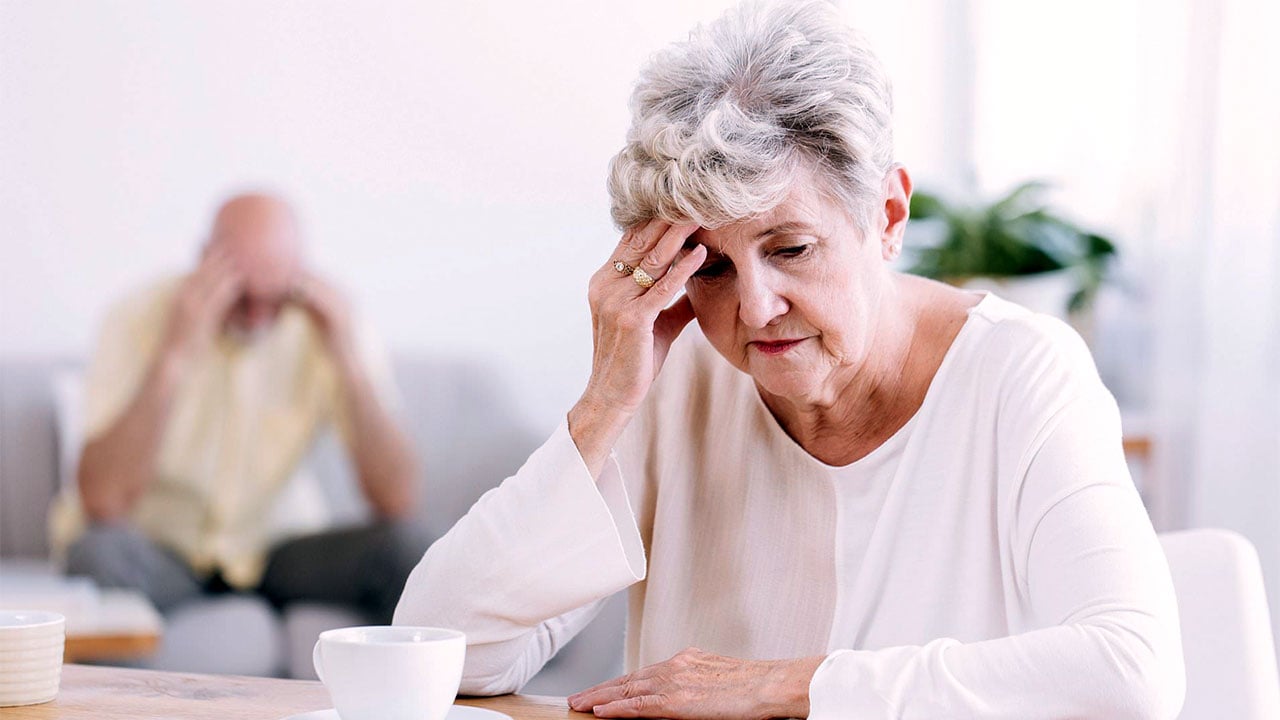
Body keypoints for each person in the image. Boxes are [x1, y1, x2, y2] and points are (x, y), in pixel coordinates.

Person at [394, 2, 1185, 718]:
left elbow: (1131, 670)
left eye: (792, 249)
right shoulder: (681, 377)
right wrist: (603, 404)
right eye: (710, 267)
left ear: (886, 215)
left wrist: (787, 685)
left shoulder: (1021, 371)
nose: (755, 307)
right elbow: (439, 650)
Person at [51, 192, 425, 625]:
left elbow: (398, 499)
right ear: (205, 259)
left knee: (408, 548)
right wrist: (173, 356)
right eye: (242, 295)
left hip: (273, 551)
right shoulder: (137, 316)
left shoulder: (329, 325)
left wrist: (348, 360)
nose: (256, 317)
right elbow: (102, 499)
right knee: (97, 554)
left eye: (275, 297)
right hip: (162, 551)